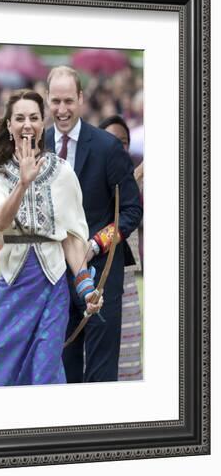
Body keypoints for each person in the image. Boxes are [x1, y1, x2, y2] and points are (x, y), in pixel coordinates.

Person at [0, 89, 102, 387]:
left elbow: (71, 238)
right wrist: (23, 184)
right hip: (16, 280)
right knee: (3, 358)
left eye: (34, 118)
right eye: (20, 118)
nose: (27, 124)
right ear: (9, 126)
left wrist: (86, 287)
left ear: (43, 122)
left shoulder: (62, 172)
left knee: (46, 366)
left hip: (54, 283)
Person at [45, 66, 143, 382]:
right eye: (56, 101)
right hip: (52, 275)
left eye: (68, 101)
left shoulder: (107, 147)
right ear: (47, 100)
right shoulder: (37, 147)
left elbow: (130, 211)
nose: (62, 109)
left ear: (82, 99)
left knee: (100, 375)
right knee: (62, 368)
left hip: (100, 271)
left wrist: (96, 244)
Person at [99, 115, 143, 381]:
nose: (118, 148)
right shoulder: (92, 180)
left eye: (123, 143)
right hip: (97, 278)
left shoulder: (133, 184)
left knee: (128, 355)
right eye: (111, 142)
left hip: (127, 281)